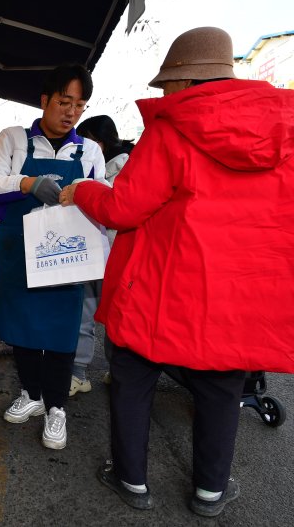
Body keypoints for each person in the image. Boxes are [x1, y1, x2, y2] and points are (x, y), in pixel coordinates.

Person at [59, 27, 294, 516]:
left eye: (167, 84)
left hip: (164, 292)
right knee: (222, 390)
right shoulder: (286, 130)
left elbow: (123, 208)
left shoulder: (173, 130)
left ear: (184, 82)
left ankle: (131, 480)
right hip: (243, 296)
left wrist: (81, 190)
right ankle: (210, 492)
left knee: (133, 377)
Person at [0, 65, 106, 449]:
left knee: (62, 333)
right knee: (23, 330)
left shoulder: (90, 151)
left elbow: (107, 197)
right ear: (45, 101)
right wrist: (27, 183)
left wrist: (82, 191)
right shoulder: (13, 140)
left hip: (66, 256)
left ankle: (57, 408)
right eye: (64, 102)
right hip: (18, 251)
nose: (70, 112)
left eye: (79, 106)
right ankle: (31, 395)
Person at [67, 116, 135, 394]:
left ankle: (114, 370)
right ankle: (81, 372)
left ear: (99, 141)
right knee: (88, 311)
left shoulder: (127, 168)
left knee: (115, 316)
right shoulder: (102, 165)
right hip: (95, 250)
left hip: (118, 253)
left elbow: (117, 211)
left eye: (86, 139)